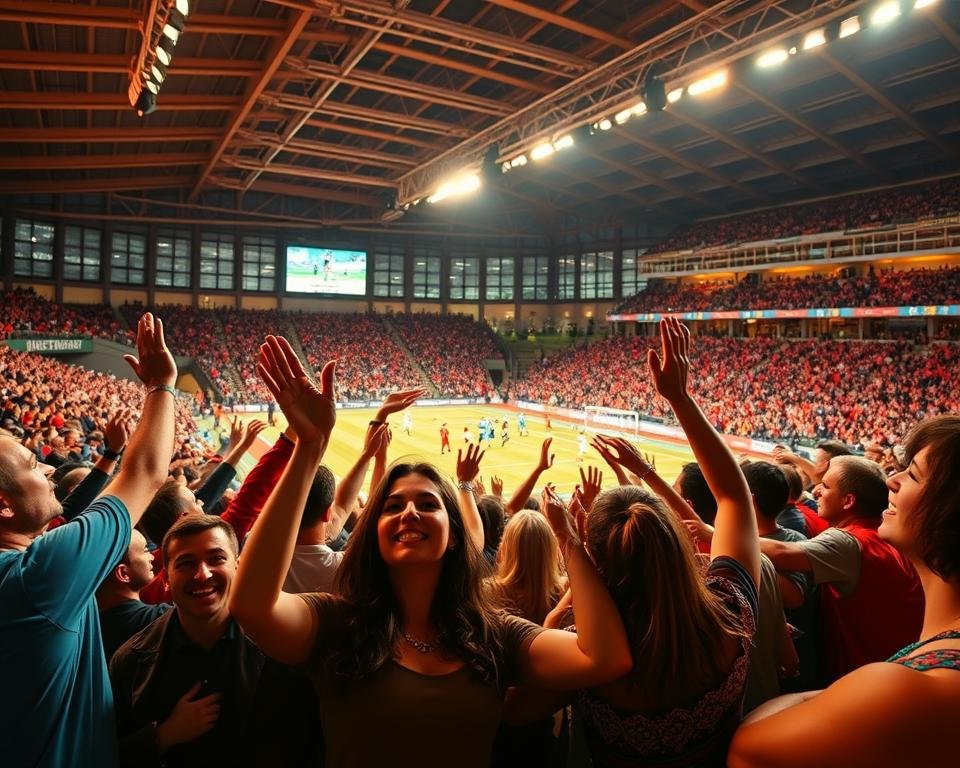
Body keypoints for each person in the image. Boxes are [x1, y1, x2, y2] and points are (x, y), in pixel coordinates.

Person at [229, 335, 632, 768]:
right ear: (374, 532)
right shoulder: (337, 624)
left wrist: (570, 540)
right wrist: (307, 449)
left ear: (455, 533)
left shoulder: (495, 635)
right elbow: (251, 605)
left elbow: (605, 658)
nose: (409, 513)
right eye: (392, 505)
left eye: (427, 504)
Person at [566, 317, 761, 766]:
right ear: (676, 537)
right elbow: (734, 496)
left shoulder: (586, 649)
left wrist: (568, 546)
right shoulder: (731, 612)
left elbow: (516, 705)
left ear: (595, 558)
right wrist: (679, 397)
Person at [729, 415, 960, 766]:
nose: (892, 481)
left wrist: (835, 697)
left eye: (912, 474)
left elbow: (747, 750)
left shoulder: (904, 690)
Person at [0, 313, 176, 768]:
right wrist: (161, 385)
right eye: (30, 465)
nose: (46, 469)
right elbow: (146, 474)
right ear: (3, 505)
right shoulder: (38, 579)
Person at [109, 516, 319, 767]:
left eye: (216, 559)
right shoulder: (131, 661)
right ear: (165, 579)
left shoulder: (283, 643)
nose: (203, 574)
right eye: (186, 563)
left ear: (238, 567)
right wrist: (161, 735)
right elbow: (108, 754)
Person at [758, 454, 924, 683]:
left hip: (858, 680)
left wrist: (711, 533)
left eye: (825, 486)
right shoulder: (886, 535)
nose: (815, 491)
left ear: (848, 501)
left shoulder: (849, 541)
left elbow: (781, 553)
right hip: (889, 672)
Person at [97, 529, 172, 663]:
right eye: (145, 550)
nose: (152, 557)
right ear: (123, 574)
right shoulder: (164, 620)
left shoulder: (89, 632)